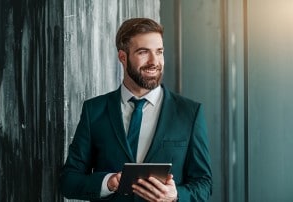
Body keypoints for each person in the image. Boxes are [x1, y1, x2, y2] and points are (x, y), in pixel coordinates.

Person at [60, 17, 212, 202]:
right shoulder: (94, 110)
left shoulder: (190, 113)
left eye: (159, 52)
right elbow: (68, 181)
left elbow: (204, 184)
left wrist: (176, 195)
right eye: (143, 52)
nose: (154, 61)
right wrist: (108, 183)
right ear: (123, 57)